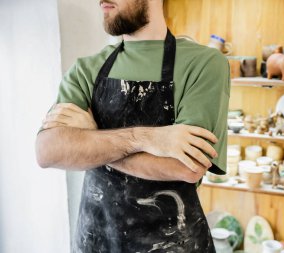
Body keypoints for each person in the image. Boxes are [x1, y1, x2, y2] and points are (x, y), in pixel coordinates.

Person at [35, 0, 230, 252]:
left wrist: (91, 139)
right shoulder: (85, 70)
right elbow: (48, 151)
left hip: (174, 244)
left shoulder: (204, 64)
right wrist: (145, 138)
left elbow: (186, 166)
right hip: (96, 242)